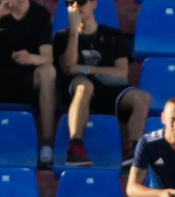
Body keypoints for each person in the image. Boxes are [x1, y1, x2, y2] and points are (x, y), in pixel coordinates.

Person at [52, 0, 139, 165]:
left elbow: (122, 73)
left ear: (93, 4)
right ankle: (75, 146)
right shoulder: (62, 36)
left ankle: (133, 150)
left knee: (141, 98)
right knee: (86, 86)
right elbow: (69, 66)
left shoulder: (113, 35)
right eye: (71, 3)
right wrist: (74, 33)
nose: (76, 6)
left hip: (108, 89)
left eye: (81, 2)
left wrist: (85, 69)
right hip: (76, 88)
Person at [0, 0, 55, 146]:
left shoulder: (41, 14)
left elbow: (48, 57)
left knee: (48, 71)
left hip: (28, 80)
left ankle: (47, 142)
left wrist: (31, 58)